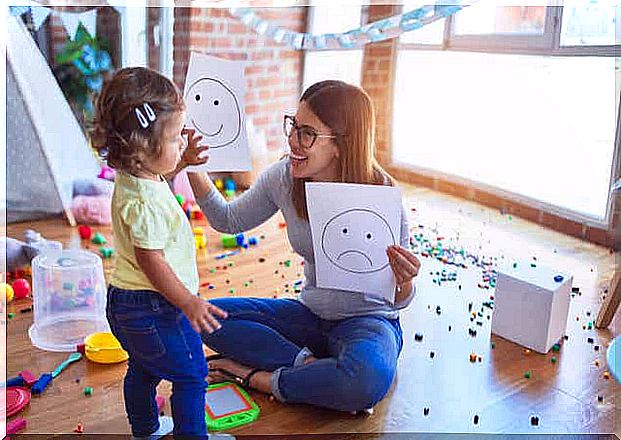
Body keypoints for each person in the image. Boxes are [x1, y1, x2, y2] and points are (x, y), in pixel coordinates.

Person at [182, 80, 421, 413]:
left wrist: (406, 280)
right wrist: (193, 164)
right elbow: (227, 220)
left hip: (368, 322)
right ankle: (306, 365)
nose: (292, 140)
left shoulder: (379, 191)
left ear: (341, 143)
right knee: (201, 317)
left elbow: (401, 298)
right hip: (309, 316)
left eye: (307, 133)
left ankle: (256, 377)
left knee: (365, 379)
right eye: (293, 126)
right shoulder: (284, 177)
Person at [91, 67, 228, 438]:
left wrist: (181, 162)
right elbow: (152, 261)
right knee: (192, 375)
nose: (182, 143)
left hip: (126, 305)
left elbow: (157, 176)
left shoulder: (136, 176)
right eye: (174, 140)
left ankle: (145, 430)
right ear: (140, 148)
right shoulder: (146, 203)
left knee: (144, 368)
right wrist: (188, 302)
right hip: (154, 307)